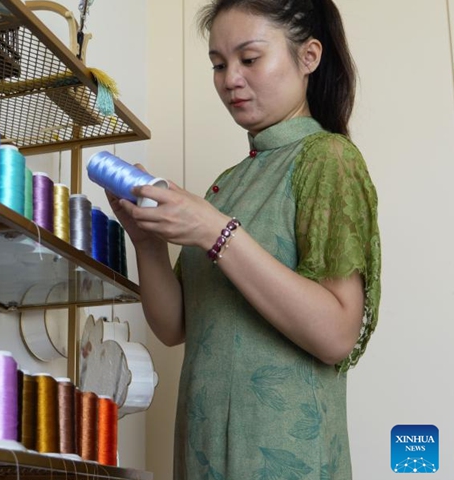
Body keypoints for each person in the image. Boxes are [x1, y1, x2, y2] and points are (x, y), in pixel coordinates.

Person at [106, 0, 381, 478]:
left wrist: (216, 231)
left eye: (249, 59)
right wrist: (146, 240)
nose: (230, 79)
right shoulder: (225, 185)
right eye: (218, 64)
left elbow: (338, 334)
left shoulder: (327, 159)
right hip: (202, 450)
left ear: (309, 56)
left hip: (285, 455)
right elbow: (173, 328)